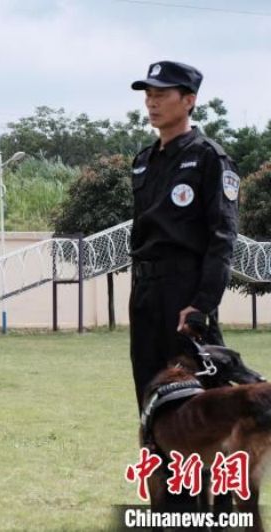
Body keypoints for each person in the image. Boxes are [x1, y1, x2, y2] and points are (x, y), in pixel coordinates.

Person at [129, 61, 239, 512]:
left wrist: (200, 305)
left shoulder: (210, 157)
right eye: (147, 94)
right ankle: (167, 504)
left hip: (184, 294)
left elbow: (221, 237)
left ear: (189, 100)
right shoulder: (143, 160)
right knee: (153, 398)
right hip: (146, 294)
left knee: (196, 402)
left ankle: (212, 506)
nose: (152, 101)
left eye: (162, 93)